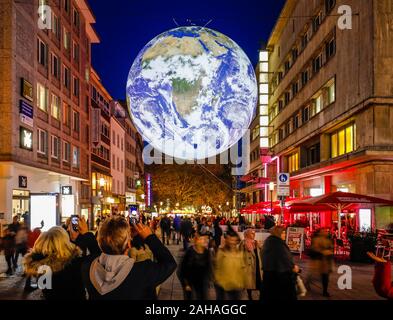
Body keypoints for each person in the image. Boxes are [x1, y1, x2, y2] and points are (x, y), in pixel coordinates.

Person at [81, 216, 177, 300]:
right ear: (128, 244)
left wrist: (86, 234)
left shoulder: (88, 268)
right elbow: (170, 263)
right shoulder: (143, 272)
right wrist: (149, 237)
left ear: (100, 243)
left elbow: (95, 253)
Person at [23, 218, 99, 300]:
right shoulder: (74, 264)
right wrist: (86, 234)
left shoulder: (39, 265)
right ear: (65, 243)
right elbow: (98, 258)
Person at [261, 225, 299, 301]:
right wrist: (293, 268)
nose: (285, 235)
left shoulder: (268, 241)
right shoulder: (278, 244)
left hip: (269, 277)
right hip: (280, 278)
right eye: (283, 233)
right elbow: (285, 259)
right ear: (278, 233)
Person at [213, 227, 245, 300]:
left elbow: (242, 268)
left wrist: (243, 282)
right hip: (223, 285)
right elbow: (217, 268)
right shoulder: (222, 252)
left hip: (237, 285)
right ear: (227, 240)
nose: (232, 242)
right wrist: (218, 282)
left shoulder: (239, 253)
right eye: (230, 240)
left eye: (234, 240)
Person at [178, 232, 211, 300]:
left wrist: (208, 280)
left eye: (206, 239)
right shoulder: (189, 252)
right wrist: (186, 283)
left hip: (202, 282)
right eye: (202, 239)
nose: (205, 241)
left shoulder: (206, 252)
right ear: (196, 241)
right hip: (190, 282)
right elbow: (182, 269)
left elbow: (208, 267)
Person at [239, 228, 263, 300]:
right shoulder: (243, 243)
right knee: (249, 283)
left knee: (259, 281)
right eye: (252, 233)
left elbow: (261, 252)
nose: (254, 234)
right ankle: (249, 296)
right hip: (248, 266)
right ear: (247, 234)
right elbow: (239, 254)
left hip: (257, 265)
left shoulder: (256, 242)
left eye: (254, 233)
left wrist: (260, 246)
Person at [310, 228, 334, 297]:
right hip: (318, 260)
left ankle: (325, 291)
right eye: (323, 231)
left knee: (325, 276)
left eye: (326, 231)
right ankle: (307, 283)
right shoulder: (316, 239)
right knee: (314, 275)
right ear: (319, 233)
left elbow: (331, 247)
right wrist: (323, 251)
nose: (325, 232)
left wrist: (329, 251)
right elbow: (315, 248)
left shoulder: (328, 239)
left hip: (326, 261)